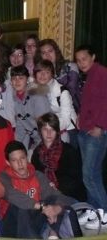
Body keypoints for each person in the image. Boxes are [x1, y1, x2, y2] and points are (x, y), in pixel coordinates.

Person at [0, 141, 82, 238]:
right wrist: (42, 207)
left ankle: (53, 235)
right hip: (12, 227)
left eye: (22, 158)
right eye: (14, 160)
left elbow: (59, 196)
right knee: (20, 207)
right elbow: (11, 194)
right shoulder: (4, 177)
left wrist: (56, 209)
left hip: (34, 223)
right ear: (8, 163)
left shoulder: (37, 176)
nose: (20, 163)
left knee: (55, 201)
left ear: (27, 158)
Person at [74, 44, 107, 228]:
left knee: (89, 175)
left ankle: (104, 214)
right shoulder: (88, 76)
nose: (81, 63)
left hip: (96, 132)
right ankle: (95, 213)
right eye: (78, 60)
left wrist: (101, 125)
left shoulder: (102, 73)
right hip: (85, 131)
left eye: (84, 59)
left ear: (93, 56)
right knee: (92, 174)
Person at [31, 113, 86, 202]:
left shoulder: (68, 150)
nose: (49, 133)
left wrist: (56, 187)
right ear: (40, 131)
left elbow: (76, 179)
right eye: (45, 129)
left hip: (69, 195)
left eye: (52, 129)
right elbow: (35, 176)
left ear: (57, 131)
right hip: (46, 194)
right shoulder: (37, 153)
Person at [34, 60, 76, 142]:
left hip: (66, 129)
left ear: (52, 74)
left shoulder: (62, 92)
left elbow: (66, 119)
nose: (42, 75)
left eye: (46, 72)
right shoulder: (34, 90)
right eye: (39, 72)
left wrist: (48, 128)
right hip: (46, 131)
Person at [10, 65, 50, 149]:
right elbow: (21, 124)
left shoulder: (37, 96)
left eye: (21, 78)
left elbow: (46, 125)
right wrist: (14, 146)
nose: (17, 81)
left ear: (27, 80)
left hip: (48, 139)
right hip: (37, 140)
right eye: (14, 78)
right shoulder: (15, 98)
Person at [38, 39, 81, 110]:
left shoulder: (71, 67)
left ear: (56, 52)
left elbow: (70, 92)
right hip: (49, 112)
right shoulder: (40, 73)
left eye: (50, 51)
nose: (47, 55)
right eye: (43, 53)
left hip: (72, 110)